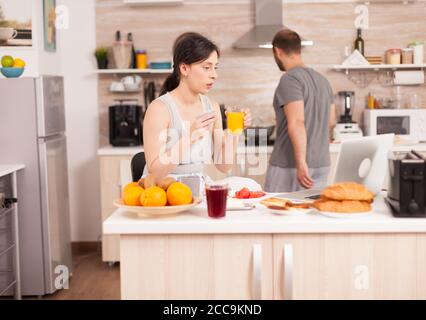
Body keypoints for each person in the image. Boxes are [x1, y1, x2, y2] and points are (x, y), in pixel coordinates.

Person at [143, 32, 251, 181]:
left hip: (197, 191)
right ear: (184, 69)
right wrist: (191, 136)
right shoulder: (159, 109)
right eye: (207, 67)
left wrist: (235, 131)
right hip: (161, 195)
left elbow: (223, 166)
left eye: (215, 68)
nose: (214, 75)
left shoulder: (211, 107)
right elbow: (154, 172)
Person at [264, 29, 336, 192]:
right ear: (298, 49)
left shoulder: (290, 79)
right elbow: (331, 121)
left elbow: (297, 122)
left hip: (292, 165)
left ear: (277, 51)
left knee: (275, 214)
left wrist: (301, 162)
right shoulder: (323, 80)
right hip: (321, 164)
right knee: (309, 215)